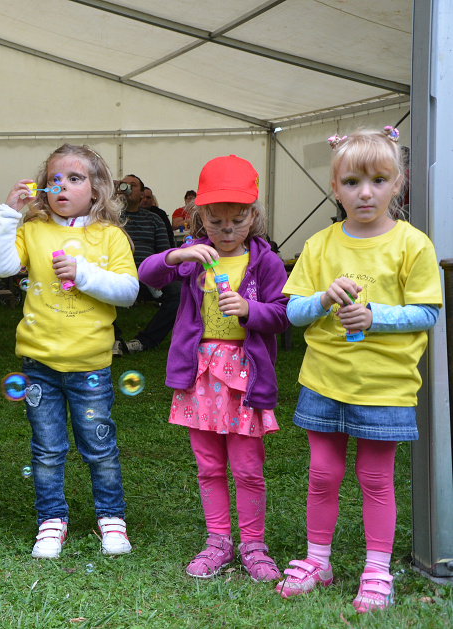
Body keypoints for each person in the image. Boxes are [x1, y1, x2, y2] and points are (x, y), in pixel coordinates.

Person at [278, 127, 442, 613]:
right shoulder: (320, 244)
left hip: (384, 387)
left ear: (398, 184)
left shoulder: (413, 244)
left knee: (375, 478)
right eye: (351, 182)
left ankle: (376, 568)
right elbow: (292, 313)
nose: (364, 192)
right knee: (321, 475)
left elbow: (428, 313)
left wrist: (375, 317)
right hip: (324, 381)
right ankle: (318, 560)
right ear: (335, 187)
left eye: (378, 180)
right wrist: (323, 299)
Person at [139, 155, 289, 581]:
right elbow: (146, 274)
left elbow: (282, 315)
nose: (226, 230)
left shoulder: (266, 262)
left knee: (247, 467)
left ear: (254, 215)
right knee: (208, 465)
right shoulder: (193, 257)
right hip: (200, 373)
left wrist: (249, 309)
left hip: (246, 374)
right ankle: (219, 541)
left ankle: (253, 545)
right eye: (217, 220)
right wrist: (176, 255)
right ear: (199, 215)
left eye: (237, 220)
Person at [0, 144, 139, 559]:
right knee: (47, 447)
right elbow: (2, 267)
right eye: (54, 179)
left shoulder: (108, 236)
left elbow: (129, 292)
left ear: (96, 190)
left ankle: (111, 517)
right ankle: (51, 520)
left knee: (99, 444)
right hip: (38, 363)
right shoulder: (33, 229)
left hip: (90, 362)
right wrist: (7, 214)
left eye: (75, 178)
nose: (63, 186)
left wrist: (85, 274)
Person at [114, 174, 180, 354]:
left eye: (132, 185)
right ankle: (114, 340)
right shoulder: (109, 218)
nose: (126, 187)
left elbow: (164, 254)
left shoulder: (154, 220)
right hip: (117, 273)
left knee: (179, 293)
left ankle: (144, 341)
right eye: (124, 185)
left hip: (148, 275)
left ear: (142, 193)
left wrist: (157, 275)